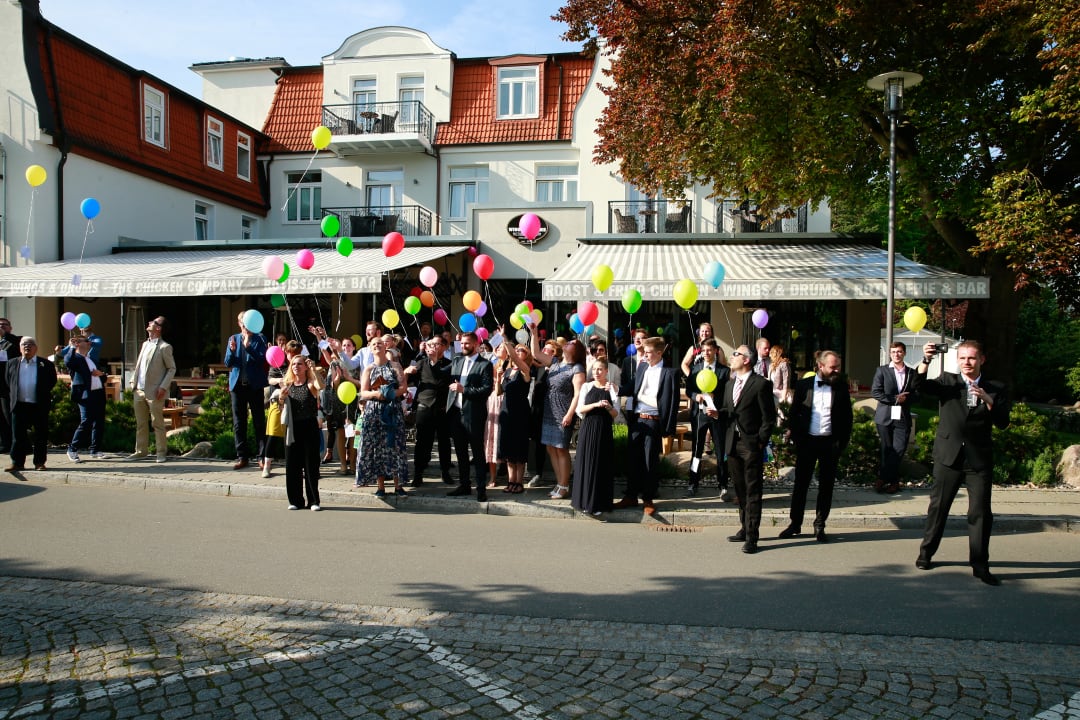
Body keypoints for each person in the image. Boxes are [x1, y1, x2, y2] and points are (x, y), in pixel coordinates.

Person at [914, 340, 1011, 586]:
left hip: (978, 461)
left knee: (980, 514)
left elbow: (1002, 422)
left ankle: (980, 565)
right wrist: (926, 361)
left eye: (971, 358)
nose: (966, 363)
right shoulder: (949, 382)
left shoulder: (996, 388)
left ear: (982, 360)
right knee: (938, 509)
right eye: (962, 358)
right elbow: (918, 387)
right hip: (949, 457)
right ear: (957, 360)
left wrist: (988, 399)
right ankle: (926, 553)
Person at [781, 350, 853, 543]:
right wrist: (795, 436)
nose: (837, 369)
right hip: (807, 442)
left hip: (830, 443)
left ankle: (820, 525)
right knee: (800, 485)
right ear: (820, 366)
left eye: (838, 365)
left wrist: (841, 443)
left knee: (826, 486)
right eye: (833, 367)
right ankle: (795, 524)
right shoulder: (804, 385)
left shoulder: (841, 387)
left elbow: (847, 418)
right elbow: (794, 413)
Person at [614, 336, 679, 515]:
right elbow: (633, 387)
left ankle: (648, 497)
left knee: (649, 460)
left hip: (654, 420)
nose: (644, 356)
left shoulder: (669, 372)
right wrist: (617, 389)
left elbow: (669, 403)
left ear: (659, 353)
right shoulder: (642, 367)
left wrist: (669, 429)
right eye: (644, 352)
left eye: (648, 353)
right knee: (633, 458)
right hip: (637, 419)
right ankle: (631, 495)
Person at [723, 344, 777, 553]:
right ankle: (744, 527)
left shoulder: (760, 384)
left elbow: (768, 417)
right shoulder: (730, 384)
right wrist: (716, 412)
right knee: (740, 488)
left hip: (751, 443)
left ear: (746, 359)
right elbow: (730, 410)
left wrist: (761, 441)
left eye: (736, 353)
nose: (732, 356)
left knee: (753, 490)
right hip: (733, 442)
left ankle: (753, 536)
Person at [531, 335, 586, 500]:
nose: (568, 343)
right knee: (550, 448)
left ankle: (564, 485)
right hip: (549, 412)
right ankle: (559, 482)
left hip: (563, 412)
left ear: (576, 351)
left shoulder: (577, 368)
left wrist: (570, 414)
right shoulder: (555, 363)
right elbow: (535, 353)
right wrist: (534, 333)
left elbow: (578, 394)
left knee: (561, 449)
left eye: (572, 343)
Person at [356, 336, 409, 497]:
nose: (377, 345)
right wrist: (377, 394)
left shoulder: (395, 365)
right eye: (374, 344)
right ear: (370, 348)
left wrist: (391, 393)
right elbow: (363, 392)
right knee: (377, 448)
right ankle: (380, 487)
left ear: (385, 347)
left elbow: (403, 387)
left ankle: (398, 485)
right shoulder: (369, 369)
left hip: (392, 410)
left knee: (395, 446)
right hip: (374, 411)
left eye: (380, 343)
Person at [445, 331, 494, 501]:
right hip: (456, 414)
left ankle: (481, 488)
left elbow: (486, 390)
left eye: (467, 343)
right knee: (460, 453)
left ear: (475, 344)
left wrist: (464, 390)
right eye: (461, 343)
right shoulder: (457, 361)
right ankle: (464, 485)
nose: (463, 346)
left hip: (473, 415)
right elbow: (442, 374)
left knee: (477, 453)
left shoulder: (485, 364)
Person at [405, 335, 454, 486]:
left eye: (437, 344)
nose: (433, 347)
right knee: (422, 443)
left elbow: (443, 377)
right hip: (424, 406)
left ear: (444, 347)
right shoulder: (421, 363)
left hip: (442, 408)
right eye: (431, 344)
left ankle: (445, 472)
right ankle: (418, 474)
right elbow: (407, 378)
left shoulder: (449, 364)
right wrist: (407, 372)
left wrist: (434, 361)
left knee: (444, 443)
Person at [127, 316, 176, 463]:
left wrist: (163, 386)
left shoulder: (165, 347)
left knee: (157, 423)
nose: (149, 323)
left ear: (158, 328)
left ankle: (161, 452)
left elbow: (171, 368)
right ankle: (141, 451)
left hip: (154, 392)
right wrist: (132, 382)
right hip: (139, 390)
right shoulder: (144, 344)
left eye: (153, 322)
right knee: (141, 423)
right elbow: (139, 365)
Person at [685, 338, 730, 497]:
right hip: (700, 416)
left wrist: (715, 397)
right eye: (703, 351)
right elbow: (688, 390)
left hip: (717, 416)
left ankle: (723, 484)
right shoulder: (695, 369)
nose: (706, 353)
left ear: (716, 351)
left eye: (709, 350)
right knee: (696, 453)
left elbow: (727, 395)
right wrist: (695, 396)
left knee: (720, 452)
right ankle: (693, 482)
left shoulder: (724, 371)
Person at [572, 361, 618, 515]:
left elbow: (615, 414)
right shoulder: (586, 386)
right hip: (588, 428)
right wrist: (596, 404)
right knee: (587, 463)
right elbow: (580, 409)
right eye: (594, 369)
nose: (597, 372)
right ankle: (584, 501)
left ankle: (598, 503)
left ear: (606, 371)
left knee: (601, 465)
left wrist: (608, 407)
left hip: (604, 429)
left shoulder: (612, 388)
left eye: (600, 369)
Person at [4, 337, 57, 472]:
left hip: (38, 405)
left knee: (40, 435)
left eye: (31, 344)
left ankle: (39, 462)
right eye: (24, 344)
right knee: (18, 436)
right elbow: (7, 381)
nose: (27, 346)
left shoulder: (45, 364)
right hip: (19, 405)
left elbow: (52, 382)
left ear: (36, 348)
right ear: (20, 347)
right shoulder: (11, 363)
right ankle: (17, 462)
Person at [224, 311, 268, 470]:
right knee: (238, 423)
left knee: (258, 422)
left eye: (247, 323)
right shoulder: (233, 339)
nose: (245, 326)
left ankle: (262, 456)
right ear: (239, 323)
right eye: (242, 323)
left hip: (254, 386)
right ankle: (242, 456)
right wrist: (232, 350)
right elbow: (228, 363)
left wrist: (248, 346)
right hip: (237, 386)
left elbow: (262, 359)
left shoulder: (260, 339)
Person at [278, 355, 324, 510]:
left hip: (309, 426)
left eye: (299, 364)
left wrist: (314, 370)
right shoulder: (288, 385)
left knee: (311, 465)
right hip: (292, 428)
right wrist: (281, 398)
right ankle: (295, 500)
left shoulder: (310, 383)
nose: (296, 366)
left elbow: (321, 386)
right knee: (292, 465)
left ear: (305, 367)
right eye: (293, 364)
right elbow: (280, 409)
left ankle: (313, 501)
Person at [871, 341, 917, 495]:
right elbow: (876, 392)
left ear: (904, 353)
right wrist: (895, 399)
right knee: (887, 449)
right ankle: (894, 483)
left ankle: (882, 478)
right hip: (884, 416)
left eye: (899, 351)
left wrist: (907, 400)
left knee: (899, 448)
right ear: (889, 354)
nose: (896, 354)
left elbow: (917, 395)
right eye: (893, 352)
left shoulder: (911, 373)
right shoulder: (882, 371)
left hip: (902, 417)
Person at [61, 335, 107, 462]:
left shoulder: (91, 359)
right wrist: (71, 347)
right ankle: (72, 448)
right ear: (78, 344)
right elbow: (68, 362)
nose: (89, 343)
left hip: (98, 393)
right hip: (85, 394)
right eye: (86, 341)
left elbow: (103, 377)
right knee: (86, 421)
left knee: (99, 422)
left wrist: (101, 374)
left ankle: (95, 449)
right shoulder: (75, 358)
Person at [498, 343, 533, 494]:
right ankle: (511, 481)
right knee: (508, 449)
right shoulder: (507, 371)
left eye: (522, 350)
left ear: (527, 355)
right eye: (516, 349)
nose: (518, 352)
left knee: (519, 449)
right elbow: (499, 392)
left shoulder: (526, 371)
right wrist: (499, 377)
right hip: (506, 410)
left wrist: (505, 339)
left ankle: (519, 482)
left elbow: (518, 363)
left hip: (520, 413)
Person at [484, 341, 508, 488]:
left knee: (504, 438)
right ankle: (492, 477)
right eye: (497, 347)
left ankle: (511, 476)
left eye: (501, 347)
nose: (498, 349)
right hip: (492, 401)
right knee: (491, 438)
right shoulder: (492, 366)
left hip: (506, 402)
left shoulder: (512, 366)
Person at [0, 318, 22, 454]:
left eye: (4, 325)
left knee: (8, 415)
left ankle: (14, 444)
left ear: (10, 327)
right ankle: (3, 443)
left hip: (7, 385)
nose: (1, 327)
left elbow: (16, 354)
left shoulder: (15, 340)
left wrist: (4, 336)